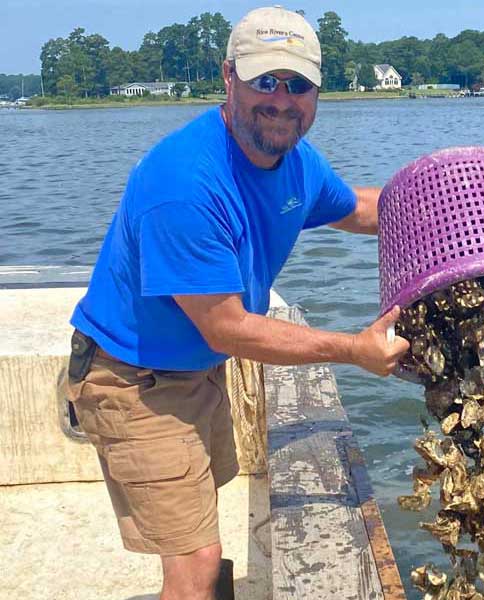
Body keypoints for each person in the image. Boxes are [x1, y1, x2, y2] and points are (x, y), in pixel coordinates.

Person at [65, 6, 410, 600]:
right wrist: (353, 349)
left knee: (201, 522)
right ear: (229, 78)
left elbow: (358, 208)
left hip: (195, 370)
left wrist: (447, 207)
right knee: (195, 562)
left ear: (317, 91)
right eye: (264, 81)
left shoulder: (295, 161)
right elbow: (228, 328)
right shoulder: (183, 183)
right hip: (131, 378)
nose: (282, 99)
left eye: (298, 84)